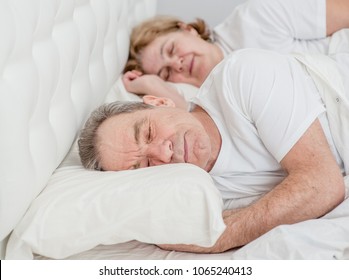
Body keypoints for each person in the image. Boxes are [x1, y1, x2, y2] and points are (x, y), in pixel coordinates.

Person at [78, 47, 348, 253]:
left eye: (147, 132)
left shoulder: (242, 75)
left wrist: (218, 237)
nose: (163, 152)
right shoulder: (198, 192)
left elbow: (323, 184)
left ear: (160, 102)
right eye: (145, 165)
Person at [122, 0, 349, 109]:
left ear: (187, 29)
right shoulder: (206, 101)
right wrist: (152, 85)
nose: (177, 64)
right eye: (167, 72)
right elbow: (186, 120)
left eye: (171, 49)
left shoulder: (256, 17)